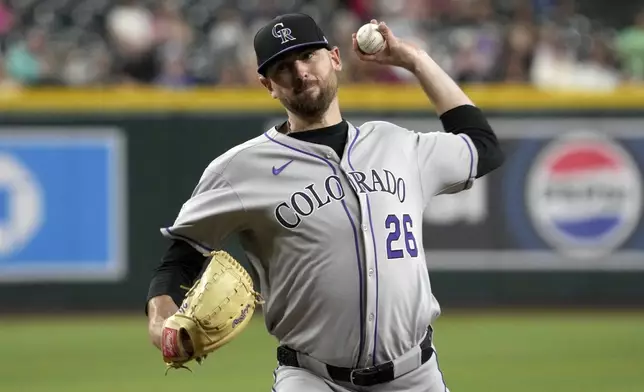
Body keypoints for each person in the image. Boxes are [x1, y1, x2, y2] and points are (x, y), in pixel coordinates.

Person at [146, 13, 504, 392]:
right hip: (312, 379)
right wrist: (160, 321)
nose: (300, 72)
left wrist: (416, 60)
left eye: (308, 56)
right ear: (268, 84)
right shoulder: (238, 169)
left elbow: (483, 147)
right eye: (283, 67)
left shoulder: (397, 145)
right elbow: (179, 259)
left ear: (334, 58)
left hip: (416, 376)